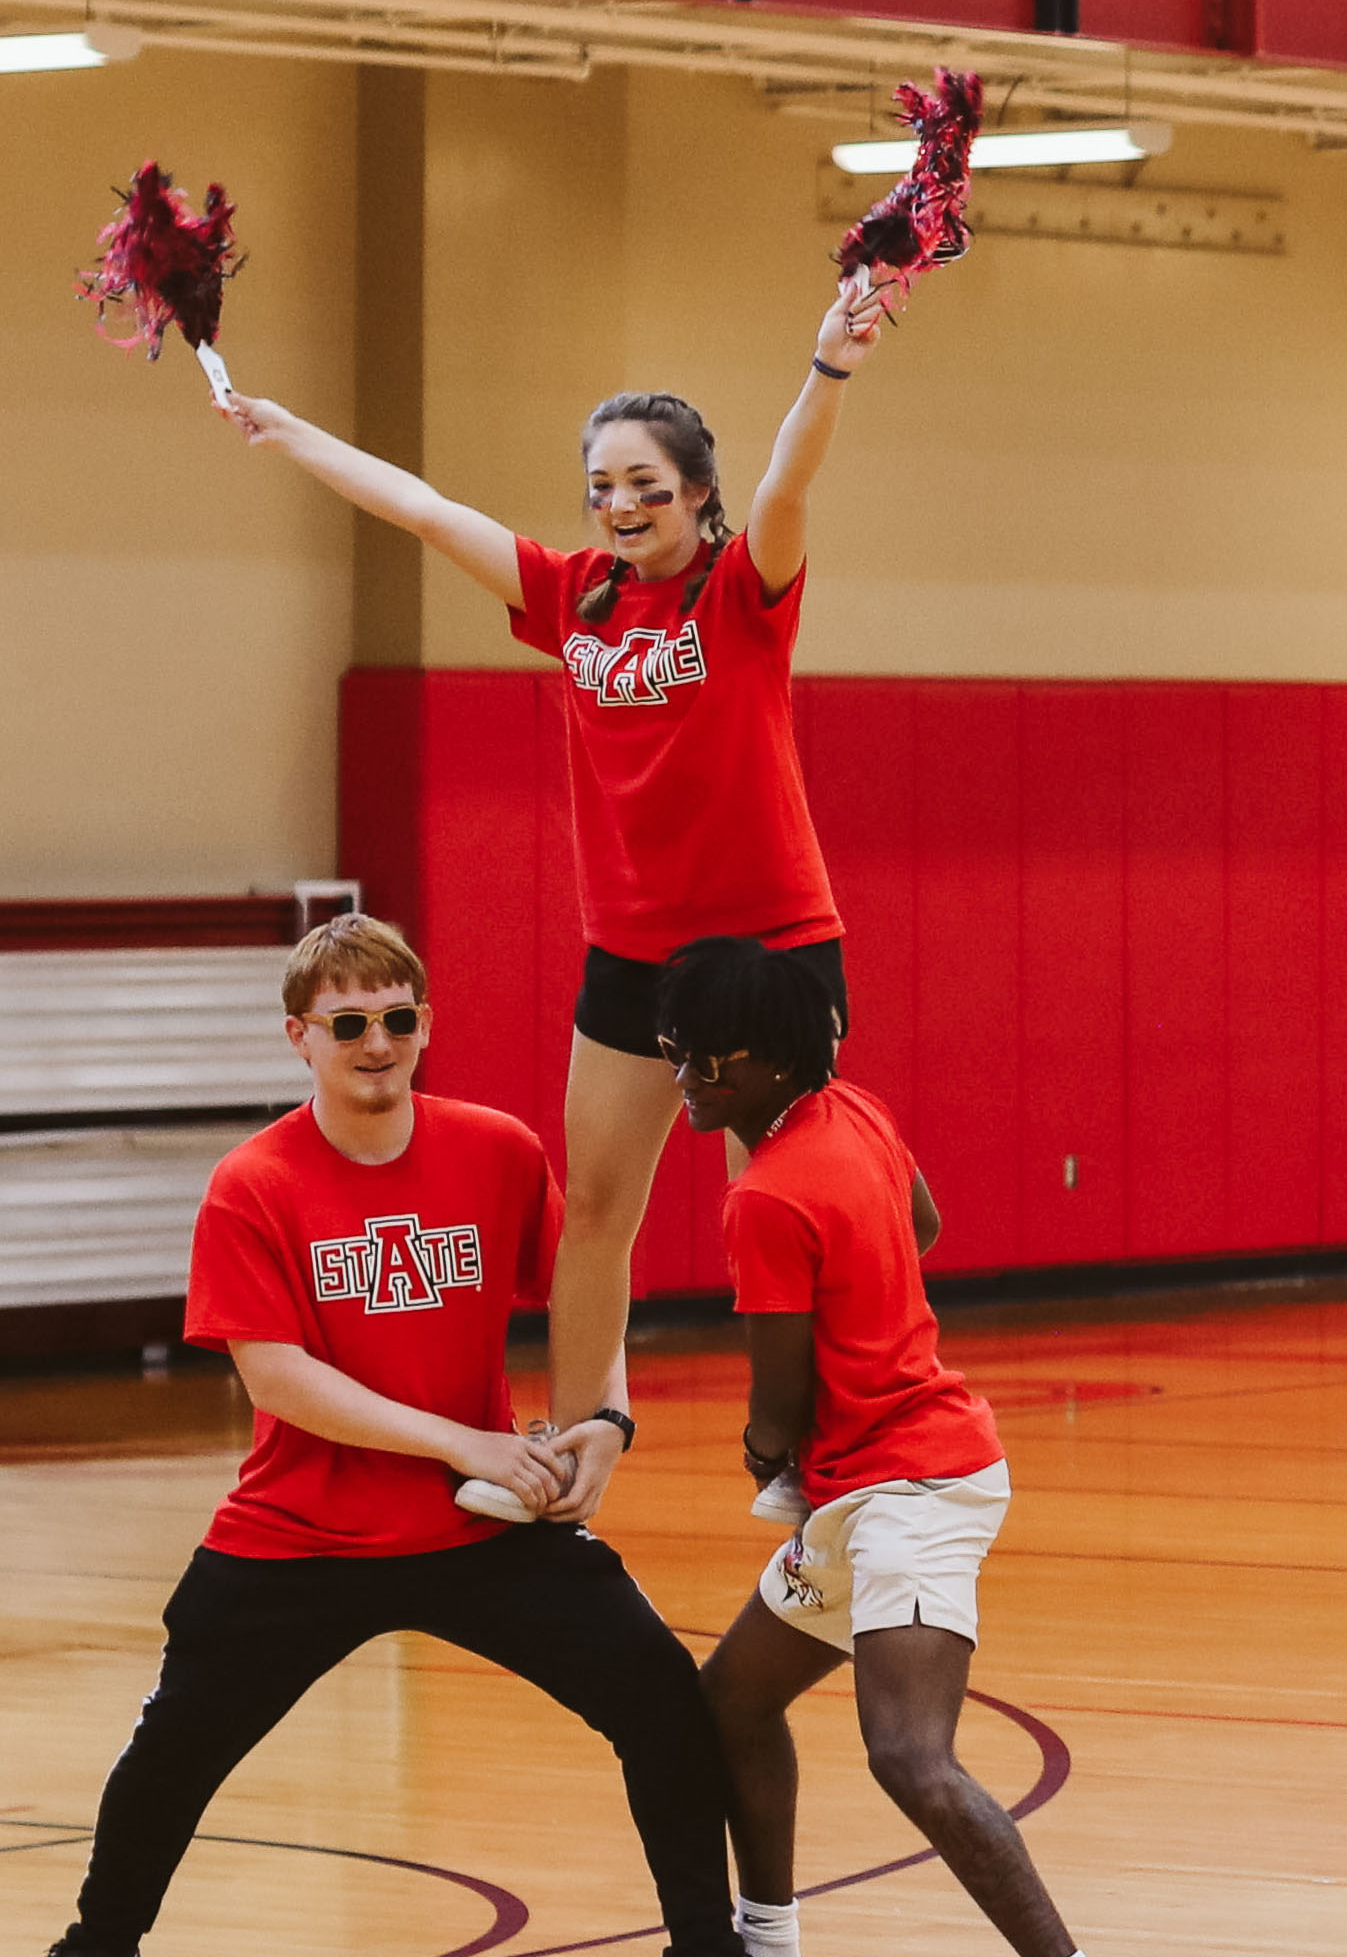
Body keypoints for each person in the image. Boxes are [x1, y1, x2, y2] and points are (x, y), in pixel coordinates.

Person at [0, 915, 824, 1957]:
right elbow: (276, 1379)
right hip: (301, 1533)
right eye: (350, 1023)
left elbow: (587, 1288)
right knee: (173, 1746)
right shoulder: (254, 1184)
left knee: (662, 1704)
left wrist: (605, 1416)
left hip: (480, 1528)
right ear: (301, 1036)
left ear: (425, 1026)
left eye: (398, 1019)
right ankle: (100, 1953)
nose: (377, 1042)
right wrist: (459, 1442)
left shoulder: (497, 1151)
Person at [216, 269, 894, 1497]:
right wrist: (289, 429)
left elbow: (793, 477)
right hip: (636, 947)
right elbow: (424, 510)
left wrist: (828, 365)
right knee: (594, 1207)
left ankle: (825, 1453)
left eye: (647, 484)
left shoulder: (741, 596)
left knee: (789, 1208)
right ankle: (574, 1451)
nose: (621, 504)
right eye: (602, 486)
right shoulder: (571, 596)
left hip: (774, 939)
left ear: (696, 494)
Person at [629, 935, 1148, 1957]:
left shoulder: (762, 1193)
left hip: (906, 1490)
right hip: (876, 1486)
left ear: (756, 1062)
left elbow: (778, 1399)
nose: (682, 1083)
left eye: (697, 1064)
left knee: (910, 1756)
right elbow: (920, 1226)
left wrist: (768, 1455)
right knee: (734, 1699)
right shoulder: (850, 1112)